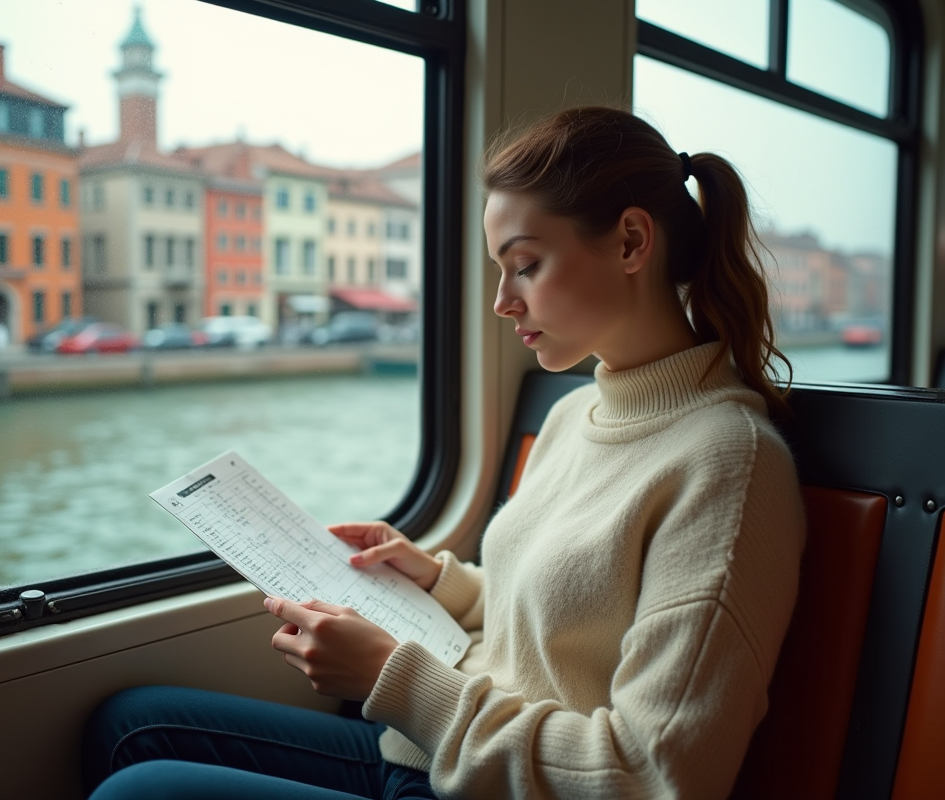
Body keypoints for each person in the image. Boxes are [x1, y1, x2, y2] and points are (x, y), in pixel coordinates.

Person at [81, 105, 806, 800]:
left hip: (476, 775)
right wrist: (437, 582)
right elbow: (564, 623)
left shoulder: (729, 464)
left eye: (524, 265)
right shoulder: (573, 414)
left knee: (139, 789)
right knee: (130, 723)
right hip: (434, 754)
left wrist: (393, 678)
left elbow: (651, 777)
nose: (502, 301)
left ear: (629, 243)